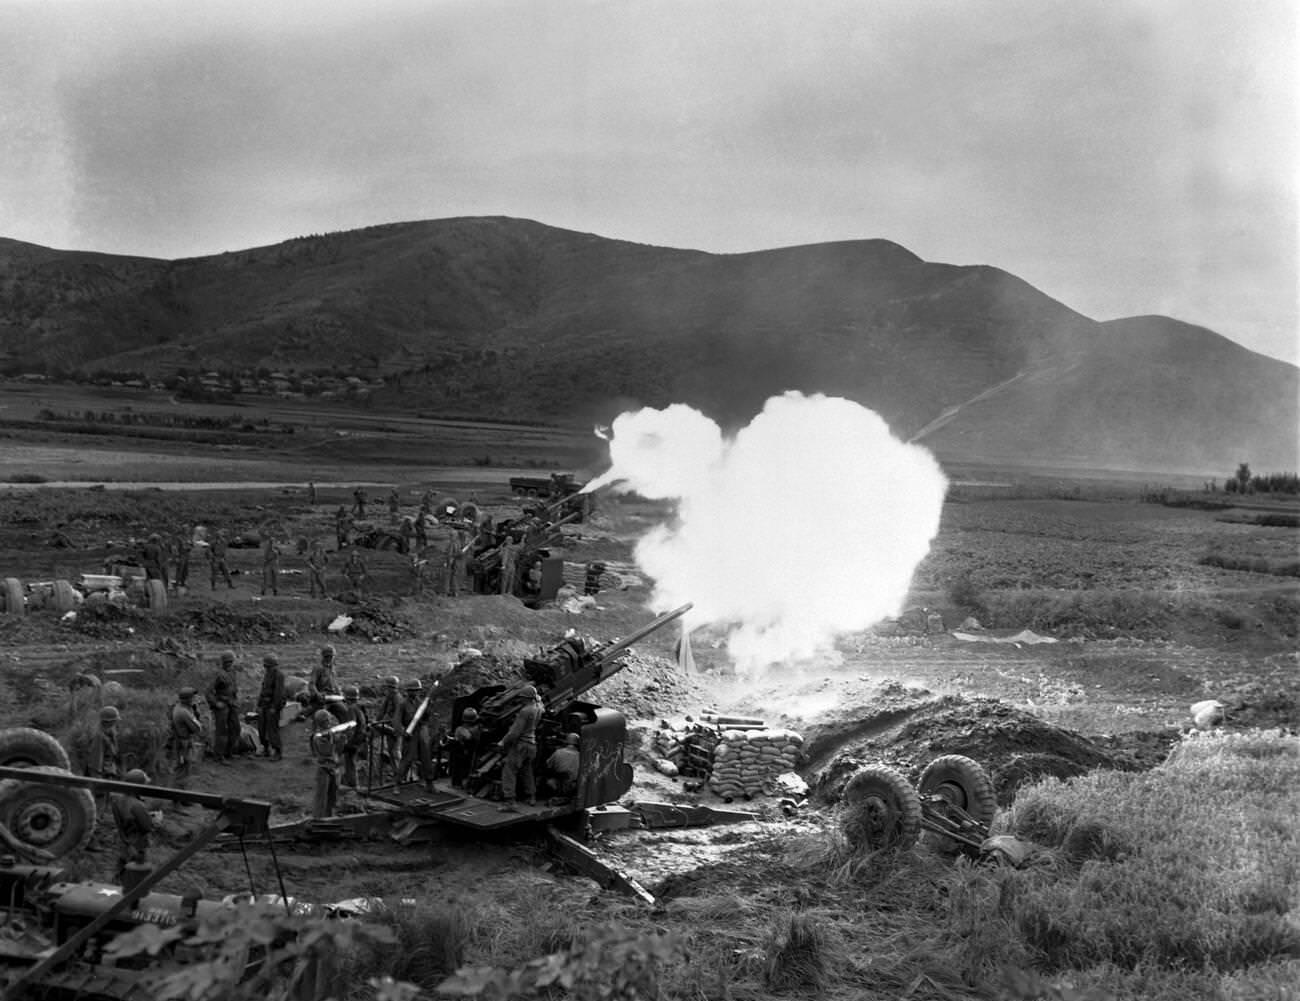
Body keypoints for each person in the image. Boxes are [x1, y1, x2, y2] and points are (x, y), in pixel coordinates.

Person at [496, 684, 543, 811]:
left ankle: (510, 802)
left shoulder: (525, 711)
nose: (520, 700)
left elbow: (515, 732)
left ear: (526, 698)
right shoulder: (538, 708)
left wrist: (503, 741)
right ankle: (531, 797)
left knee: (509, 770)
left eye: (522, 698)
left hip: (521, 745)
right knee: (527, 770)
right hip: (532, 745)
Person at [109, 769, 157, 886]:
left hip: (124, 840)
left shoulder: (117, 800)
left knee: (121, 867)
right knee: (136, 874)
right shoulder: (137, 805)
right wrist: (155, 820)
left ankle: (115, 887)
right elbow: (147, 827)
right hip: (137, 844)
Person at [394, 680, 433, 790]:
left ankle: (429, 782)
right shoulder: (402, 704)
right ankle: (397, 783)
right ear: (408, 691)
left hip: (421, 732)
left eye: (417, 690)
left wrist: (428, 708)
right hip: (409, 734)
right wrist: (403, 732)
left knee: (426, 759)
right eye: (413, 691)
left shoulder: (420, 702)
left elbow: (426, 718)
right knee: (407, 759)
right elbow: (396, 721)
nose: (415, 693)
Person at [207, 651, 240, 763]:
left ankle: (229, 752)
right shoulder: (218, 674)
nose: (229, 663)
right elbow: (208, 692)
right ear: (223, 662)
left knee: (235, 728)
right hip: (222, 705)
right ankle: (219, 756)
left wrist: (235, 700)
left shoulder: (233, 672)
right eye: (227, 662)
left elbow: (234, 687)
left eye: (231, 661)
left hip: (232, 704)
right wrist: (216, 703)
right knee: (222, 731)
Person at [169, 688, 204, 788]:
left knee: (183, 769)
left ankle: (180, 795)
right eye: (193, 697)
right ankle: (178, 797)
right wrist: (196, 713)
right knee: (182, 770)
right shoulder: (184, 712)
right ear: (187, 699)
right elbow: (197, 728)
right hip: (183, 743)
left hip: (180, 741)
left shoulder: (179, 707)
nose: (195, 699)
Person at [309, 710, 340, 819]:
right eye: (328, 720)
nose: (330, 722)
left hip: (332, 768)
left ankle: (329, 817)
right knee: (321, 798)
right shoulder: (319, 737)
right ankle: (318, 820)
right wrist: (337, 740)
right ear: (323, 722)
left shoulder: (327, 733)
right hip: (324, 769)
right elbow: (327, 751)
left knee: (332, 797)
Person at [257, 654, 287, 760]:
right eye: (266, 666)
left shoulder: (279, 675)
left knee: (272, 729)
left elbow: (278, 693)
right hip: (265, 704)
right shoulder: (267, 674)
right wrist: (259, 704)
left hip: (273, 705)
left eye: (268, 666)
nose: (267, 668)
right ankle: (265, 749)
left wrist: (274, 707)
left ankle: (278, 751)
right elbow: (263, 689)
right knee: (262, 728)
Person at [339, 686, 369, 789]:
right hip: (360, 738)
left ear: (347, 698)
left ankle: (352, 784)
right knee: (351, 761)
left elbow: (351, 727)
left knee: (349, 761)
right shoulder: (359, 707)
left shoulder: (351, 709)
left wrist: (347, 742)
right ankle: (352, 782)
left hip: (354, 740)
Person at [374, 675, 401, 778]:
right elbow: (382, 711)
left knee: (395, 752)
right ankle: (395, 773)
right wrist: (376, 722)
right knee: (390, 751)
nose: (388, 690)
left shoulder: (398, 698)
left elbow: (398, 715)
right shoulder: (388, 698)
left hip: (396, 729)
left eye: (390, 688)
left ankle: (400, 774)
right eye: (388, 688)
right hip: (389, 728)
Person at [448, 708, 482, 790]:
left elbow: (458, 739)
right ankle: (463, 783)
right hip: (470, 753)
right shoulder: (477, 729)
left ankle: (457, 784)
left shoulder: (460, 730)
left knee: (457, 767)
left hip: (461, 751)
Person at [86, 705, 122, 780]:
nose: (116, 723)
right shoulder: (99, 737)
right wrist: (98, 783)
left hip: (109, 775)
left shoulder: (110, 735)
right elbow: (95, 763)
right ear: (109, 722)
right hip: (101, 777)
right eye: (114, 721)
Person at [546, 733, 582, 800]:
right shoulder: (580, 756)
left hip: (557, 786)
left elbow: (548, 765)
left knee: (549, 781)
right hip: (571, 787)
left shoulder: (557, 752)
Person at [444, 524, 472, 597]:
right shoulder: (454, 543)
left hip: (453, 561)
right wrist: (461, 552)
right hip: (453, 561)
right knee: (453, 576)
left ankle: (451, 591)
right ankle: (452, 591)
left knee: (452, 576)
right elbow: (454, 553)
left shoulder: (453, 542)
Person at [173, 525, 192, 590]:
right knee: (179, 570)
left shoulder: (188, 537)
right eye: (186, 529)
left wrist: (190, 546)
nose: (187, 530)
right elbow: (176, 548)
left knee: (185, 570)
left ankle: (183, 583)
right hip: (181, 555)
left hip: (187, 555)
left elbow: (191, 545)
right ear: (183, 530)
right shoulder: (179, 538)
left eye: (188, 529)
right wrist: (177, 557)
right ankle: (177, 584)